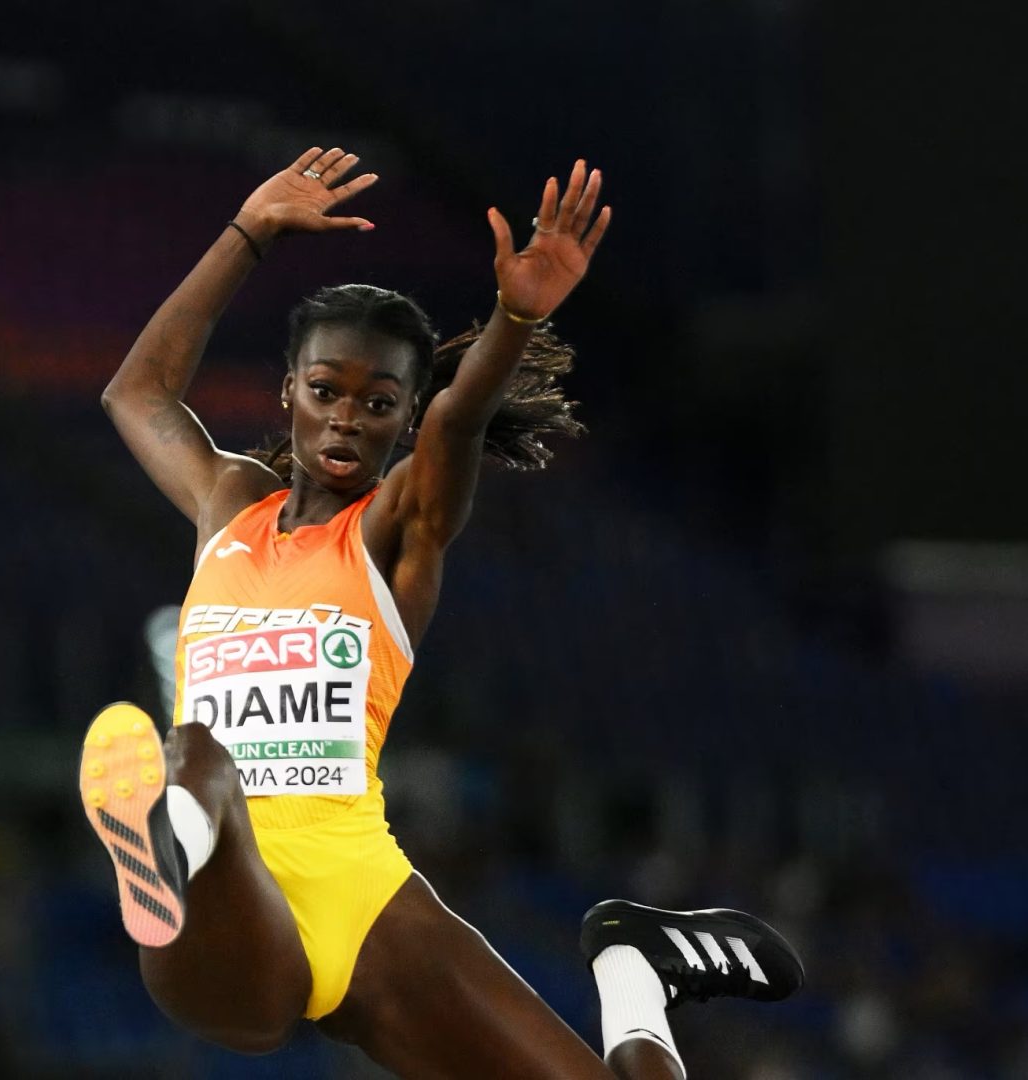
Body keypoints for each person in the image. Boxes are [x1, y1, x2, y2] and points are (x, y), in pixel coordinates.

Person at [84, 146, 803, 1078]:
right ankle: (171, 843)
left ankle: (632, 969)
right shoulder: (229, 505)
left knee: (196, 769)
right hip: (234, 872)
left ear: (403, 416)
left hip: (358, 885)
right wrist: (248, 231)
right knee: (196, 761)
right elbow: (137, 393)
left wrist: (516, 317)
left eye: (378, 403)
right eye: (326, 391)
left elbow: (457, 423)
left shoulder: (395, 530)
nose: (348, 418)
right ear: (290, 391)